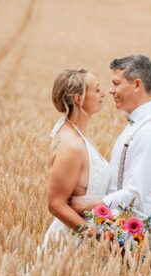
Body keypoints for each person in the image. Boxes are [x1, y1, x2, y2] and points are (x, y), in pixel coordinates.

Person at [69, 55, 151, 252]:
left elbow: (134, 194)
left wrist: (86, 204)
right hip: (126, 231)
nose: (111, 90)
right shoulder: (136, 125)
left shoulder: (149, 133)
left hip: (143, 237)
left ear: (137, 85)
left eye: (116, 83)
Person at [39, 69, 110, 251]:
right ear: (78, 99)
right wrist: (96, 237)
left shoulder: (77, 135)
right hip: (73, 245)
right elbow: (55, 204)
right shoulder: (72, 146)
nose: (103, 94)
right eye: (96, 90)